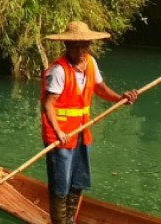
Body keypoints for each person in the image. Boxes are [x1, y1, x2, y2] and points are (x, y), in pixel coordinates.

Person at [41, 21, 138, 224]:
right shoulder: (58, 71)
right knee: (60, 185)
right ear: (67, 45)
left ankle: (70, 220)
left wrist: (120, 98)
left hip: (82, 133)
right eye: (75, 46)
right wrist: (58, 132)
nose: (80, 51)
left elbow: (100, 88)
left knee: (78, 180)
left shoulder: (91, 63)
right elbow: (48, 105)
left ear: (89, 45)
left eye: (84, 45)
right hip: (61, 137)